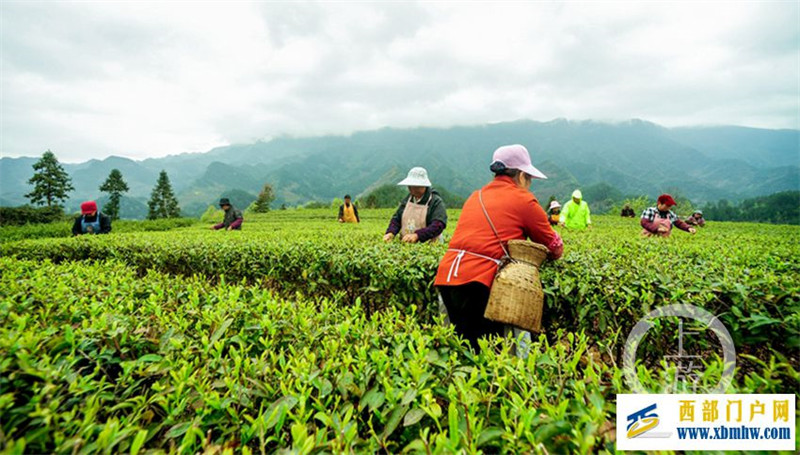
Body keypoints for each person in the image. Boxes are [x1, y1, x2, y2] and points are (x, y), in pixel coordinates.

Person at [434, 145, 563, 351]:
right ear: (521, 176)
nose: (529, 184)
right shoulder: (524, 200)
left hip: (448, 278)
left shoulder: (475, 196)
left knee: (462, 352)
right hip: (480, 284)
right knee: (492, 357)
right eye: (528, 178)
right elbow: (554, 246)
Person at [383, 167, 447, 243]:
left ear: (423, 186)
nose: (411, 188)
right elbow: (397, 219)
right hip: (407, 244)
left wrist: (417, 235)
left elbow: (438, 225)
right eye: (410, 185)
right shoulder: (408, 199)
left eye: (415, 186)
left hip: (430, 244)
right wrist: (391, 232)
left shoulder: (435, 201)